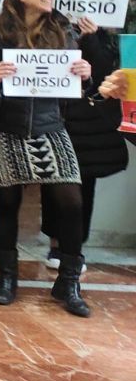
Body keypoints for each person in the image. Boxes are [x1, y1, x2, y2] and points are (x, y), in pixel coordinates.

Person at [0, 0, 93, 317]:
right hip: (3, 127)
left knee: (70, 199)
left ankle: (69, 280)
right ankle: (7, 277)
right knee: (7, 202)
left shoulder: (64, 30)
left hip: (50, 126)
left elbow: (76, 86)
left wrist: (84, 73)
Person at [47, 16, 127, 269]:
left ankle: (75, 248)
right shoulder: (49, 25)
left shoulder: (102, 36)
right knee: (52, 183)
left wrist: (91, 38)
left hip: (88, 122)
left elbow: (106, 71)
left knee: (84, 186)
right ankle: (55, 245)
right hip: (53, 113)